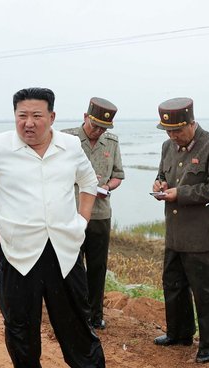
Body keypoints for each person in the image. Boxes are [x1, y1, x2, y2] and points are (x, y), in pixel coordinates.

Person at [0, 87, 116, 368]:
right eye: (22, 116)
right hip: (18, 250)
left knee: (75, 315)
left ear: (52, 118)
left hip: (63, 247)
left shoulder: (69, 146)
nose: (28, 123)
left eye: (36, 116)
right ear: (15, 117)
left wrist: (82, 220)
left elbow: (88, 183)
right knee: (20, 321)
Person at [151, 97, 209, 364]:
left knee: (205, 291)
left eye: (178, 130)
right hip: (174, 232)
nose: (173, 136)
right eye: (169, 131)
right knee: (173, 284)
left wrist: (177, 193)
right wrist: (160, 184)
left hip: (202, 233)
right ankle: (179, 333)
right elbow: (163, 175)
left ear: (192, 123)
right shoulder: (167, 146)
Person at [62, 97, 124, 330]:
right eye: (94, 125)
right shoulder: (66, 139)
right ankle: (73, 312)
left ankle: (95, 315)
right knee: (70, 265)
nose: (98, 131)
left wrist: (108, 187)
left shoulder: (111, 142)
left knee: (97, 268)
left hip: (99, 214)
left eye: (103, 128)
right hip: (70, 212)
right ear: (85, 117)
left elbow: (118, 174)